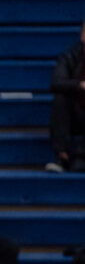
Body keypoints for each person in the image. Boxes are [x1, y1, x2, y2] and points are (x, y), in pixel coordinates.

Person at [48, 19, 85, 173]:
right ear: (83, 36)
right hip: (76, 114)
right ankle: (62, 157)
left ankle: (79, 157)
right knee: (60, 98)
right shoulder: (69, 57)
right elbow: (56, 82)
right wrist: (80, 85)